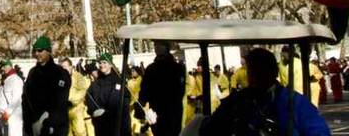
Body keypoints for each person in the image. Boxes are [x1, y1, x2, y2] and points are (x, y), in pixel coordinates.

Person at [199, 49, 329, 136]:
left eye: (261, 70)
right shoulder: (235, 101)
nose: (256, 76)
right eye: (252, 71)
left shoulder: (294, 102)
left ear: (274, 72)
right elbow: (210, 128)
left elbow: (318, 131)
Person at [22, 37, 69, 136]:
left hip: (54, 127)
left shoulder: (60, 73)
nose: (37, 54)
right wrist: (28, 123)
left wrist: (48, 121)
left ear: (48, 51)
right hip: (35, 125)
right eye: (35, 51)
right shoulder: (32, 73)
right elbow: (26, 99)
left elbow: (60, 101)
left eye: (40, 50)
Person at [138, 42, 183, 136]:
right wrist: (140, 103)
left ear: (167, 47)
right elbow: (144, 90)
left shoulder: (177, 68)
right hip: (156, 113)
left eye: (159, 44)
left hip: (172, 112)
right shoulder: (150, 69)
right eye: (155, 45)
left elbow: (179, 92)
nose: (156, 47)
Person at [85, 55, 129, 136]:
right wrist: (93, 111)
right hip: (100, 124)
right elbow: (89, 96)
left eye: (104, 62)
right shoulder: (96, 83)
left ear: (111, 64)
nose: (101, 65)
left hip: (115, 123)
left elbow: (123, 103)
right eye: (100, 63)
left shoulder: (118, 81)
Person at [0, 61, 23, 136]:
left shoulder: (16, 80)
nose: (1, 69)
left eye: (3, 66)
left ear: (9, 66)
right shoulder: (5, 80)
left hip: (13, 117)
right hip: (3, 116)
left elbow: (17, 98)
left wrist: (7, 112)